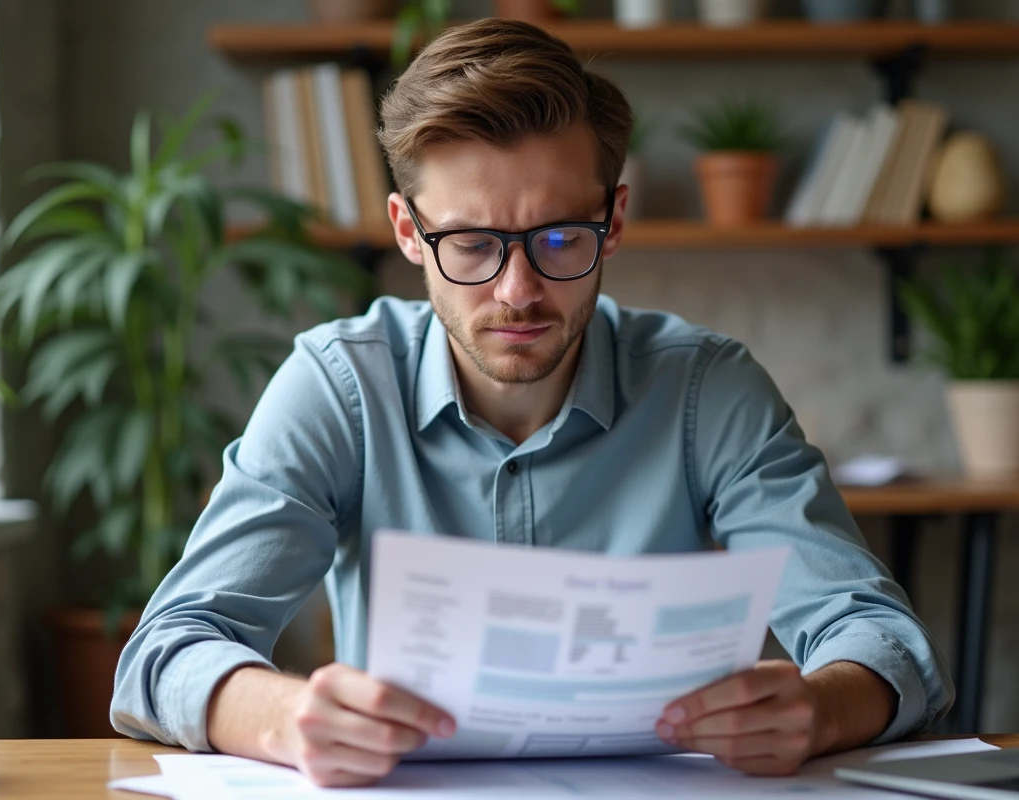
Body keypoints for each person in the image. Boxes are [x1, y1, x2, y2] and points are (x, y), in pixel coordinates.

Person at [111, 17, 953, 788]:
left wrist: (821, 709)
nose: (518, 291)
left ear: (614, 221)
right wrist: (288, 719)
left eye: (560, 239)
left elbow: (882, 639)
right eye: (472, 242)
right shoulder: (339, 386)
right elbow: (166, 650)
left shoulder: (709, 388)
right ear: (409, 233)